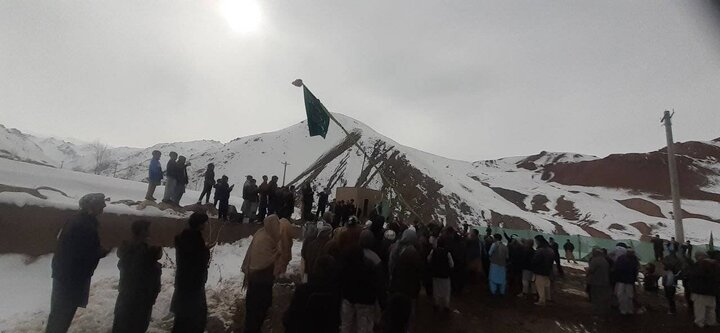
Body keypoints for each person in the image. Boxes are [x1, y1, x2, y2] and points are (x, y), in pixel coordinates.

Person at [46, 193, 110, 333]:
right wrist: (101, 252)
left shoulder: (76, 220)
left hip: (65, 274)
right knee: (62, 315)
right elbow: (83, 254)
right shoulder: (85, 226)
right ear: (92, 208)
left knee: (59, 314)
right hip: (71, 278)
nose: (103, 209)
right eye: (100, 206)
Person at [242, 214, 293, 333]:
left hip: (259, 279)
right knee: (256, 308)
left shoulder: (265, 234)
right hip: (259, 279)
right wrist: (277, 255)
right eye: (277, 225)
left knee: (256, 306)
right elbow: (265, 260)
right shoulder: (264, 238)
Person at [112, 220, 162, 333]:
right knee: (136, 326)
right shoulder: (143, 250)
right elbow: (145, 273)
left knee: (121, 325)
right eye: (148, 229)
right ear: (143, 231)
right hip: (140, 298)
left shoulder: (128, 248)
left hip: (126, 296)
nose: (150, 232)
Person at [171, 213, 212, 333]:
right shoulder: (195, 240)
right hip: (193, 283)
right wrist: (205, 252)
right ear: (199, 225)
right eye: (204, 223)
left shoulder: (183, 237)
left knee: (182, 317)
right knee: (194, 318)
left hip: (183, 281)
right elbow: (197, 261)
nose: (206, 225)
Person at [340, 230, 384, 333]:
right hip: (366, 300)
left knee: (346, 325)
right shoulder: (375, 259)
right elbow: (379, 281)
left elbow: (342, 274)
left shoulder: (350, 254)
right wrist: (382, 301)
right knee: (364, 327)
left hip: (349, 297)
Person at [283, 255, 341, 333]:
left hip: (305, 327)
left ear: (315, 269)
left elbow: (291, 316)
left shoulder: (304, 289)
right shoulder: (336, 291)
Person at [686, 251, 719, 328]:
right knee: (711, 308)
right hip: (712, 291)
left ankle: (699, 323)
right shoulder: (716, 264)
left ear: (699, 257)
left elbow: (693, 275)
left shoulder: (699, 265)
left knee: (700, 309)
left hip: (700, 291)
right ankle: (711, 322)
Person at [428, 237, 454, 311]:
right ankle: (446, 306)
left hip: (436, 274)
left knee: (436, 290)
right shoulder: (447, 252)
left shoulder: (434, 251)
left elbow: (428, 259)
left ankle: (436, 304)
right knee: (446, 291)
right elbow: (452, 264)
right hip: (445, 275)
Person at [586, 248, 611, 316]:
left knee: (595, 297)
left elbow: (591, 270)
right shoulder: (604, 260)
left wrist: (587, 273)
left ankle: (597, 311)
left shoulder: (595, 260)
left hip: (596, 281)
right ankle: (603, 310)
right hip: (604, 281)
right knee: (602, 296)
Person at [613, 249, 639, 315]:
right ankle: (627, 309)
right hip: (628, 280)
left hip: (623, 280)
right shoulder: (634, 260)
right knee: (627, 295)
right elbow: (635, 270)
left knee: (622, 295)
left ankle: (624, 309)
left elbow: (616, 268)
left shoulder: (622, 258)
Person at [532, 235, 554, 306]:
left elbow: (535, 260)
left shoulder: (540, 250)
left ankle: (541, 300)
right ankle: (548, 298)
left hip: (540, 271)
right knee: (547, 285)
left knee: (540, 286)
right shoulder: (550, 250)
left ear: (538, 241)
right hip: (548, 271)